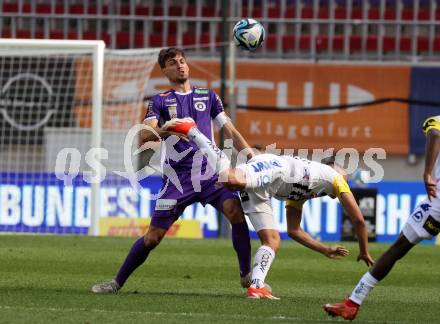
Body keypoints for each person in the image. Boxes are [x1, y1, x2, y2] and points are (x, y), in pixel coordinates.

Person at [92, 48, 254, 294]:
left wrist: (250, 154)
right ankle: (116, 282)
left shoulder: (208, 96)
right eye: (172, 63)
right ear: (164, 70)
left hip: (210, 174)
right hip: (178, 180)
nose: (180, 66)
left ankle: (247, 276)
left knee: (235, 211)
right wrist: (171, 128)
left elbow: (229, 129)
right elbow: (144, 136)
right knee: (153, 237)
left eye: (182, 61)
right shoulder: (159, 101)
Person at [163, 117, 374, 300]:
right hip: (275, 168)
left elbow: (294, 231)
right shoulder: (335, 178)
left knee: (272, 240)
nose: (345, 176)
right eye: (343, 171)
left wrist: (325, 250)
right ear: (334, 168)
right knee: (231, 180)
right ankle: (193, 130)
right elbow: (359, 221)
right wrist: (364, 251)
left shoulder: (305, 192)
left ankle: (256, 286)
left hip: (265, 191)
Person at [323, 115, 440, 320]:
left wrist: (427, 173)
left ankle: (353, 303)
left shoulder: (435, 120)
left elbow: (435, 132)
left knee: (398, 248)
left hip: (437, 202)